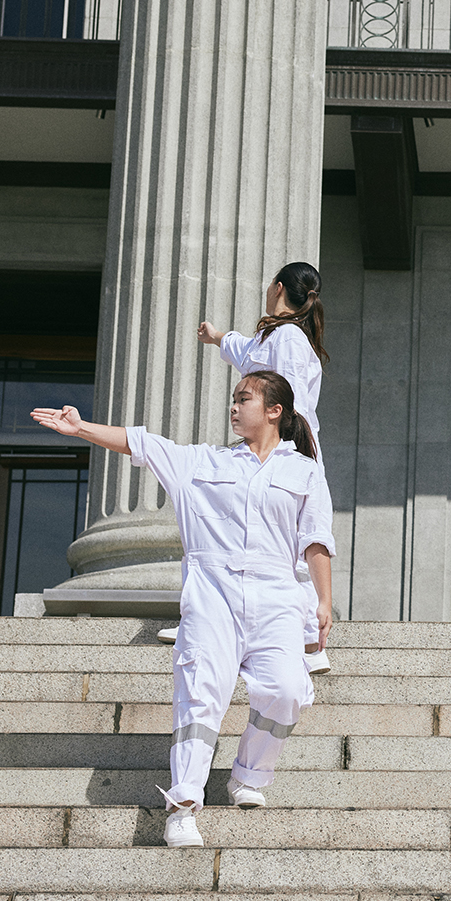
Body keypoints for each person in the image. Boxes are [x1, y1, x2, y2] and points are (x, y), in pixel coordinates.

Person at [31, 370, 334, 848]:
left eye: (245, 399)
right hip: (213, 595)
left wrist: (323, 601)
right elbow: (141, 443)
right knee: (200, 696)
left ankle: (249, 774)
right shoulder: (200, 461)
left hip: (276, 596)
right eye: (233, 399)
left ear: (275, 411)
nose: (234, 407)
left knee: (288, 690)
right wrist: (82, 427)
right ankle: (183, 806)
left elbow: (316, 540)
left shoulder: (304, 472)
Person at [158, 262, 333, 674]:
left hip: (287, 447)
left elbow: (284, 396)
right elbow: (244, 349)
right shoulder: (275, 336)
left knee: (289, 540)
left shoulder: (288, 338)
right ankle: (216, 620)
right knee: (247, 530)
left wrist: (281, 448)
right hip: (274, 447)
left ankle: (309, 642)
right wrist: (216, 336)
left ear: (276, 288)